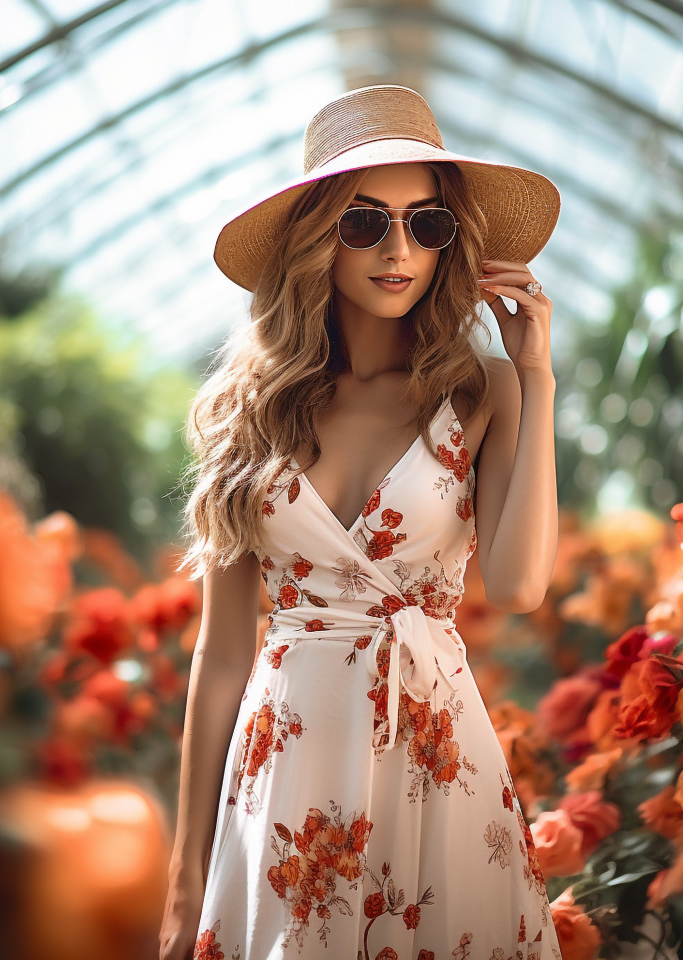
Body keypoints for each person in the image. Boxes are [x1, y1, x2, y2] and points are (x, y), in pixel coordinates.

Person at [159, 84, 563, 960]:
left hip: (435, 760)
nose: (398, 249)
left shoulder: (482, 392)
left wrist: (537, 378)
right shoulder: (250, 410)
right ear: (317, 237)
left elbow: (521, 586)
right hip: (285, 775)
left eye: (426, 223)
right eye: (364, 221)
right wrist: (186, 876)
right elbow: (221, 654)